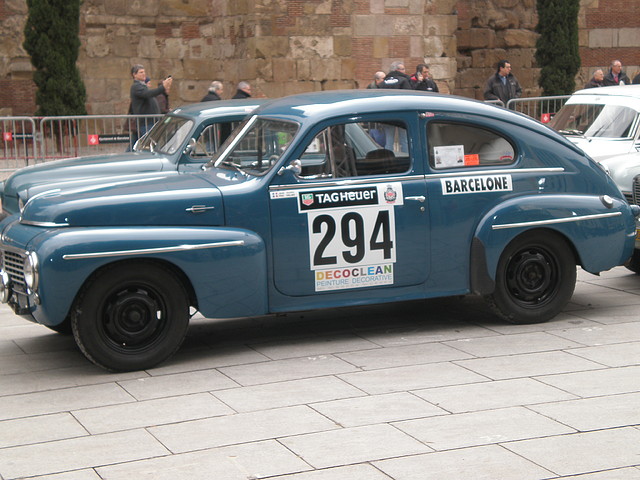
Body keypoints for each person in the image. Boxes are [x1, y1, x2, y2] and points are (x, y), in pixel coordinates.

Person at [129, 64, 172, 137]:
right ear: (134, 75)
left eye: (144, 72)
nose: (144, 74)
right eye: (141, 72)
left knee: (134, 145)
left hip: (148, 121)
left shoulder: (142, 86)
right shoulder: (136, 86)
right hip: (146, 122)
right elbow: (148, 94)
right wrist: (163, 87)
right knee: (150, 144)